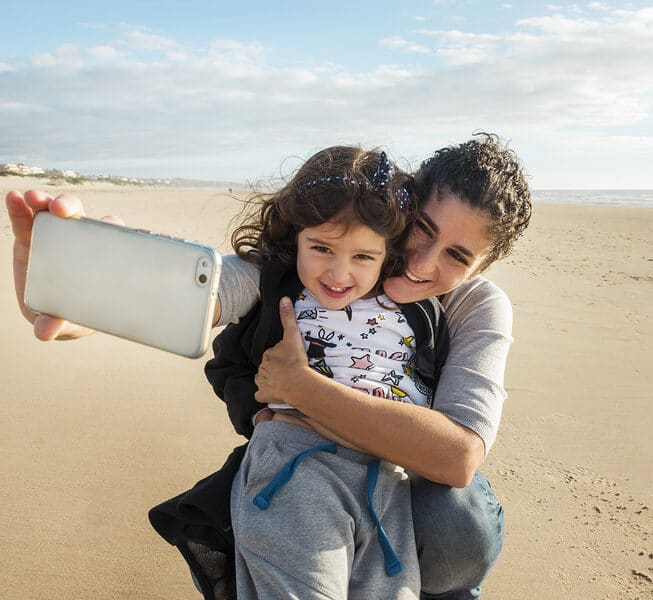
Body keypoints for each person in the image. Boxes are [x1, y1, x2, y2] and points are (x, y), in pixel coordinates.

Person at [6, 132, 532, 599]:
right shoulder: (301, 265)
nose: (422, 263)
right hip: (302, 473)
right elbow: (200, 295)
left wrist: (301, 387)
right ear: (403, 207)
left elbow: (458, 456)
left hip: (394, 491)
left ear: (485, 265)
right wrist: (80, 292)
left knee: (458, 518)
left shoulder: (475, 307)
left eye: (457, 256)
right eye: (421, 230)